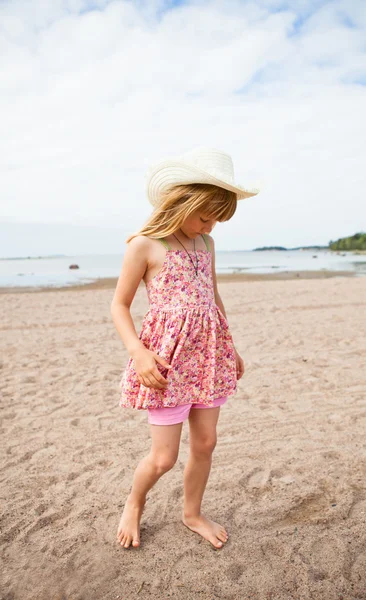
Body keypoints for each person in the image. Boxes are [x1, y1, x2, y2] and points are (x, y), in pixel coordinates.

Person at [111, 146, 260, 550]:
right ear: (182, 202)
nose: (210, 226)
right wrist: (138, 353)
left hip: (209, 358)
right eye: (205, 216)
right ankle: (134, 502)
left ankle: (192, 513)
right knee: (163, 458)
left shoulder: (206, 245)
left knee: (206, 443)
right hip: (167, 363)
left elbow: (213, 296)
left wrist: (231, 346)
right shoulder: (144, 244)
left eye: (217, 219)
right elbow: (119, 305)